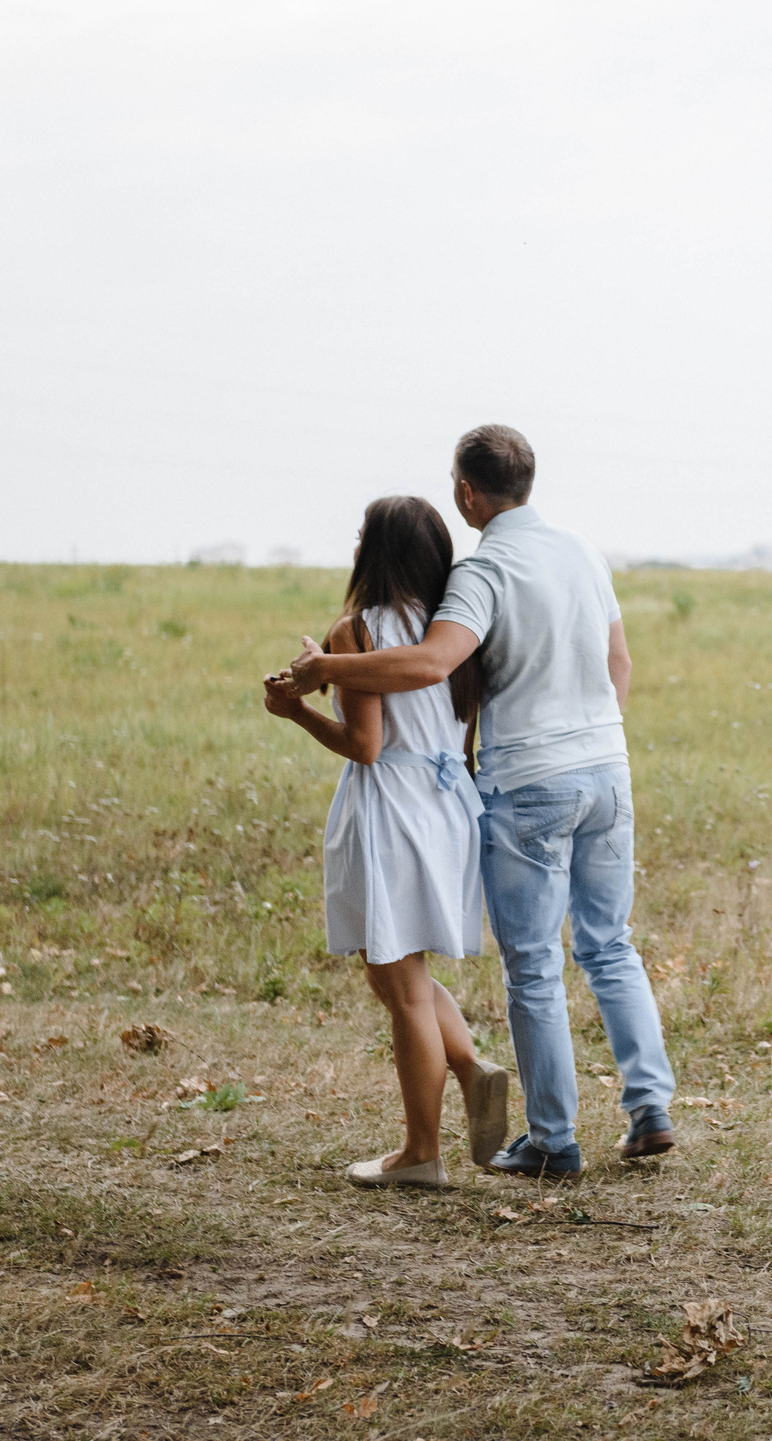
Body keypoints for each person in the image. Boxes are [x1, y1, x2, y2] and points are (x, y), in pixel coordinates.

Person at [276, 424, 677, 1179]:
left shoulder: (483, 571)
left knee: (533, 966)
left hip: (532, 782)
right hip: (607, 769)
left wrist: (324, 666)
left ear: (467, 491)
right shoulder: (584, 552)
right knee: (609, 942)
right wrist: (596, 738)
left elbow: (433, 661)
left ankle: (555, 1141)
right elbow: (619, 661)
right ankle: (649, 1106)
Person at [261, 495, 510, 1188]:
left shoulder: (358, 628)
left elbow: (366, 747)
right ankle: (468, 1063)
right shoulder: (455, 631)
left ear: (371, 551)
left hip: (392, 803)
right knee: (396, 969)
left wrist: (297, 711)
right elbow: (460, 737)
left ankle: (421, 1153)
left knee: (400, 985)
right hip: (448, 801)